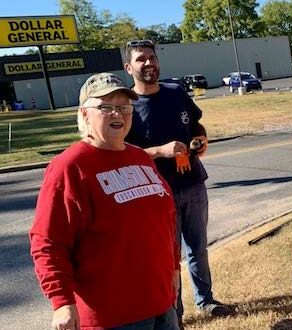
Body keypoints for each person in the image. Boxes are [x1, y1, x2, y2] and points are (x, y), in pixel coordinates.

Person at [30, 73, 180, 330]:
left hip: (161, 304)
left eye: (124, 107)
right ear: (85, 114)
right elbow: (48, 242)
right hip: (112, 316)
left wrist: (174, 268)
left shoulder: (140, 158)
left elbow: (164, 220)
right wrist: (61, 301)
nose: (117, 114)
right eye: (105, 107)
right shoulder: (70, 167)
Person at [123, 40, 230, 323]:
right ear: (128, 67)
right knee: (168, 259)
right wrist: (160, 151)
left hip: (193, 183)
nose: (149, 63)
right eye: (141, 59)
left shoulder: (176, 93)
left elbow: (196, 127)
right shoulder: (128, 107)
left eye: (152, 57)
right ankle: (175, 314)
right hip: (158, 194)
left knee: (198, 249)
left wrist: (200, 140)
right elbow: (125, 156)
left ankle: (205, 301)